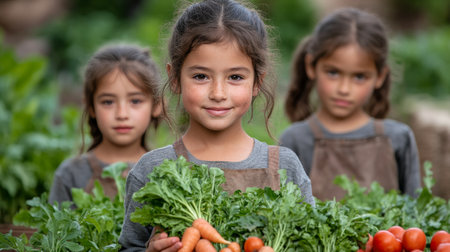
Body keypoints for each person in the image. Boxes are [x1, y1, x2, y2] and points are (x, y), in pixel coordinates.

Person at [119, 0, 314, 251]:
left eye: (235, 77)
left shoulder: (285, 167)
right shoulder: (152, 169)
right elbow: (129, 246)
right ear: (175, 78)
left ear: (257, 82)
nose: (218, 93)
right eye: (201, 76)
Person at [280, 7, 421, 201]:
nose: (344, 89)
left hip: (388, 234)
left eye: (359, 77)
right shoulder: (295, 140)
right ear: (311, 66)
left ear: (379, 77)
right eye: (333, 72)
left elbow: (415, 220)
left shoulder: (398, 138)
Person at [48, 44, 162, 204]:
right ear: (91, 107)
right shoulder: (71, 174)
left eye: (135, 101)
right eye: (108, 102)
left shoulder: (165, 170)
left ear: (157, 105)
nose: (122, 114)